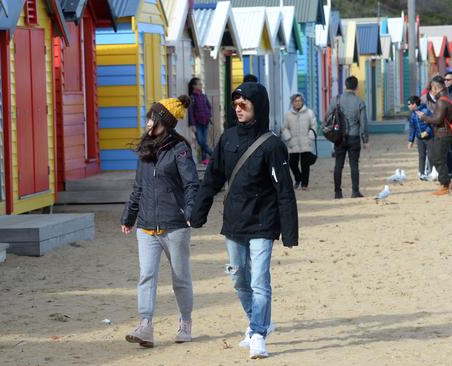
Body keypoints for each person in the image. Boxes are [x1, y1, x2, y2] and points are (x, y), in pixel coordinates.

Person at [190, 82, 298, 360]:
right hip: (234, 222)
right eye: (235, 105)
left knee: (260, 281)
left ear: (257, 107)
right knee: (238, 277)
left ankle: (258, 333)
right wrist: (197, 213)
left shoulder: (272, 145)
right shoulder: (227, 139)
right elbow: (212, 178)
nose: (238, 110)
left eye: (243, 105)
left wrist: (289, 231)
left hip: (263, 222)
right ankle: (258, 321)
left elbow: (283, 189)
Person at [121, 95, 199, 348]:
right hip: (146, 226)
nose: (147, 122)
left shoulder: (180, 149)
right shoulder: (146, 149)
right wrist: (129, 216)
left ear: (162, 121)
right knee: (147, 275)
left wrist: (189, 212)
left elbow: (191, 184)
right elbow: (138, 187)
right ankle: (145, 326)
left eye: (151, 117)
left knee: (180, 277)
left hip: (174, 225)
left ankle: (185, 322)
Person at [327, 76, 370, 199]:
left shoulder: (335, 100)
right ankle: (355, 191)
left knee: (338, 165)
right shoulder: (360, 102)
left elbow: (328, 117)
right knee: (354, 165)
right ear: (356, 87)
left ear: (345, 86)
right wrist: (365, 140)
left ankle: (337, 192)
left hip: (339, 137)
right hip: (354, 136)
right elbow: (363, 123)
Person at [416, 76, 452, 195]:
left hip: (442, 133)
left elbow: (437, 120)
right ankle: (447, 183)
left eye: (431, 88)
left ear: (435, 88)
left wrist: (424, 117)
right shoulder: (448, 98)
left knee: (438, 159)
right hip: (445, 133)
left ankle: (445, 185)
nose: (430, 90)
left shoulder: (441, 101)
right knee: (438, 158)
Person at [281, 93, 318, 190]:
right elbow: (284, 128)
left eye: (299, 101)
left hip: (306, 142)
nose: (298, 103)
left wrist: (310, 137)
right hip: (293, 144)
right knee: (292, 163)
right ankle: (298, 179)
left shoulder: (309, 113)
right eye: (296, 101)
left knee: (305, 165)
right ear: (292, 102)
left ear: (302, 101)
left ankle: (304, 184)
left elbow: (314, 126)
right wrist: (288, 138)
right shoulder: (288, 115)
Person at [407, 95, 434, 180]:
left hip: (429, 137)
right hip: (420, 138)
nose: (408, 106)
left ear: (414, 104)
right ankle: (421, 172)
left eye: (409, 104)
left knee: (430, 155)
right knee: (422, 155)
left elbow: (432, 123)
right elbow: (412, 128)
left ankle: (431, 172)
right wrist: (411, 140)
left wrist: (427, 131)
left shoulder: (426, 111)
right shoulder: (412, 115)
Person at [188, 77, 213, 165]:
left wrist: (209, 115)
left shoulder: (203, 96)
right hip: (197, 123)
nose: (201, 85)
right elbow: (190, 112)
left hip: (205, 122)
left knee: (204, 142)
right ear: (194, 86)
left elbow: (209, 107)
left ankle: (204, 160)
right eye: (199, 84)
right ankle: (213, 155)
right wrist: (192, 124)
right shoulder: (192, 98)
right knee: (201, 141)